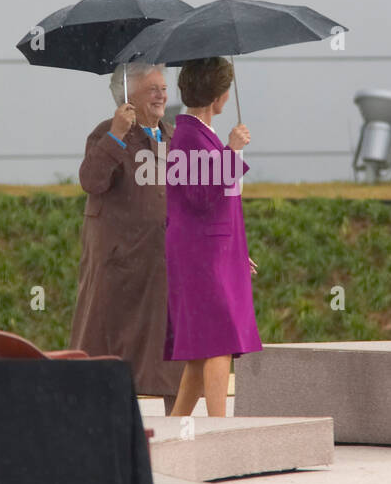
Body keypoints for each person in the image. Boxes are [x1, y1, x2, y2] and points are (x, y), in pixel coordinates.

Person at [70, 63, 184, 412]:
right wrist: (117, 135)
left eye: (164, 88)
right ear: (128, 96)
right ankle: (101, 423)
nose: (162, 95)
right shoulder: (107, 132)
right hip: (119, 266)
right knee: (110, 349)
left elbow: (195, 199)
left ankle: (177, 430)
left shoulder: (173, 136)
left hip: (162, 265)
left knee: (168, 355)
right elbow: (91, 180)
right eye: (153, 89)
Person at [164, 57, 261, 417]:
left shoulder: (197, 133)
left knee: (203, 347)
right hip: (201, 253)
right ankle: (219, 429)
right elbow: (201, 197)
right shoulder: (189, 136)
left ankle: (177, 424)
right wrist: (233, 152)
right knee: (219, 340)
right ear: (218, 95)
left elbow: (219, 202)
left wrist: (237, 252)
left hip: (213, 250)